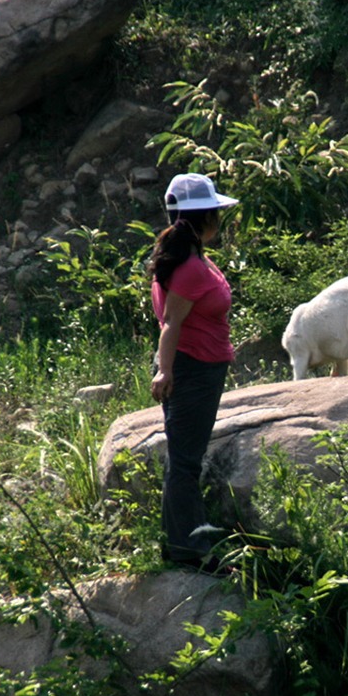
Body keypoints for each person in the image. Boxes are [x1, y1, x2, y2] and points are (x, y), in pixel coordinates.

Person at [147, 172, 238, 576]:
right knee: (184, 463)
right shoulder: (187, 265)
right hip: (192, 370)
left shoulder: (192, 255)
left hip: (203, 366)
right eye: (216, 212)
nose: (221, 219)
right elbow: (170, 324)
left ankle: (182, 543)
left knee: (185, 459)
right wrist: (165, 371)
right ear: (202, 217)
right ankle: (192, 552)